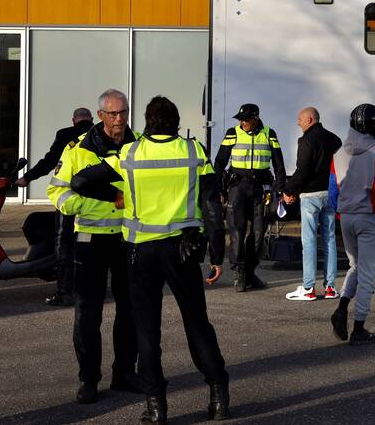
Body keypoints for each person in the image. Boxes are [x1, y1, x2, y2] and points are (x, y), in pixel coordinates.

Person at [72, 95, 229, 424]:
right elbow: (212, 205)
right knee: (197, 323)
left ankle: (156, 407)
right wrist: (217, 254)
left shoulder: (129, 153)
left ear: (146, 121)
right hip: (182, 249)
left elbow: (80, 181)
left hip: (140, 251)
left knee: (147, 330)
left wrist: (116, 194)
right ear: (175, 122)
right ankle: (218, 396)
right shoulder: (193, 151)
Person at [46, 90, 139, 404]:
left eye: (123, 113)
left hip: (128, 239)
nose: (119, 119)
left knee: (130, 310)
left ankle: (125, 373)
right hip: (90, 239)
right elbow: (56, 192)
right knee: (88, 314)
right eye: (113, 114)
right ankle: (89, 379)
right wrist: (86, 204)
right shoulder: (77, 148)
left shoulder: (139, 146)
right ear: (100, 116)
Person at [328, 104, 375, 346]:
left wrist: (341, 214)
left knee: (355, 267)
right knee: (368, 276)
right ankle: (358, 328)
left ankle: (342, 307)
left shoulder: (338, 154)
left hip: (346, 216)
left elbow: (333, 191)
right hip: (370, 216)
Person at [18, 107, 94, 306]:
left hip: (69, 201)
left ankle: (64, 291)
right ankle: (88, 287)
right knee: (89, 244)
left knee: (64, 243)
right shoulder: (99, 135)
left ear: (73, 120)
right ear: (92, 119)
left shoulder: (66, 135)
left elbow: (49, 162)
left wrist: (27, 178)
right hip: (96, 204)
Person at [213, 103, 286, 292]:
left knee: (259, 234)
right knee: (236, 231)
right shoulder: (233, 132)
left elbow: (279, 164)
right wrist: (219, 189)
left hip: (260, 189)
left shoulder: (269, 133)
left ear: (255, 118)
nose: (242, 123)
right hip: (238, 187)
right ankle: (239, 273)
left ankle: (250, 271)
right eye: (240, 119)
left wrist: (279, 190)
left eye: (245, 119)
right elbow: (220, 161)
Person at [283, 107, 342, 301]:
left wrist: (289, 191)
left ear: (309, 120)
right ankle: (331, 288)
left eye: (300, 119)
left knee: (309, 241)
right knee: (329, 239)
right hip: (330, 193)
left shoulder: (307, 140)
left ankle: (308, 288)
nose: (298, 123)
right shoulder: (332, 139)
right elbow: (339, 147)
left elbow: (303, 170)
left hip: (311, 195)